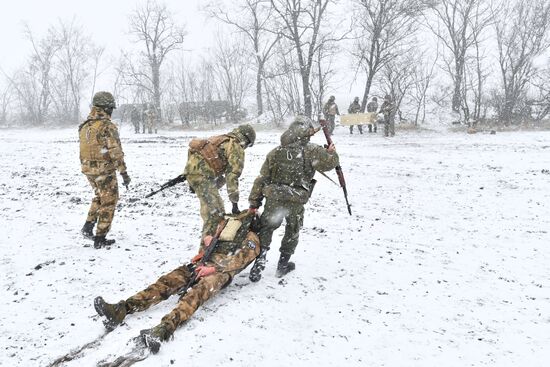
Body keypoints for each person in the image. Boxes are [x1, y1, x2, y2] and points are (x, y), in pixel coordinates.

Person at [94, 211, 260, 354]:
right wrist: (207, 242)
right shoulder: (226, 231)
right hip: (202, 263)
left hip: (220, 273)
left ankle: (163, 330)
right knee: (167, 282)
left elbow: (240, 261)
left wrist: (213, 270)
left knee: (196, 294)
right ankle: (122, 309)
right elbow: (208, 246)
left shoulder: (251, 238)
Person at [247, 116, 340, 281]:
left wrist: (254, 202)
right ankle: (283, 265)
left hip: (274, 198)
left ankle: (259, 261)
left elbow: (262, 179)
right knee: (292, 230)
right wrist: (332, 152)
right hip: (295, 200)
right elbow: (329, 164)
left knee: (267, 228)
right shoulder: (312, 151)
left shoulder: (275, 152)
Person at [184, 124, 256, 245]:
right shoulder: (235, 146)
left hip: (194, 174)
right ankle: (206, 249)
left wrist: (192, 181)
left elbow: (199, 156)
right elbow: (232, 175)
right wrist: (234, 203)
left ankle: (208, 244)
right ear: (246, 140)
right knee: (215, 215)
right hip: (203, 177)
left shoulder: (218, 139)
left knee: (210, 209)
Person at [79, 91, 131, 249]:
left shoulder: (85, 125)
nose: (111, 111)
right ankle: (100, 237)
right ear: (106, 108)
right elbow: (116, 152)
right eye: (111, 108)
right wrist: (124, 173)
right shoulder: (107, 127)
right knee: (109, 201)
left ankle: (88, 227)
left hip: (88, 169)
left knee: (99, 197)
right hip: (104, 170)